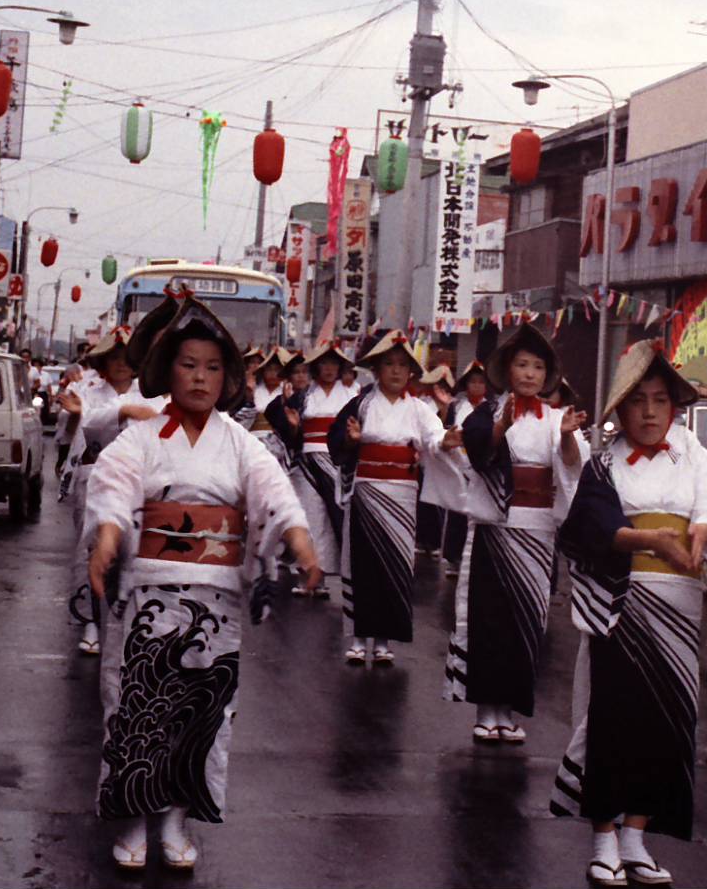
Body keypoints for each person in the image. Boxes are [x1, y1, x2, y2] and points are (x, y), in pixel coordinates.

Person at [85, 293, 319, 872]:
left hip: (214, 600)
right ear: (168, 371)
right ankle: (137, 819)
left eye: (213, 367)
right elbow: (113, 485)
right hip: (148, 594)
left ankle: (176, 820)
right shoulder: (139, 438)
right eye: (189, 364)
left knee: (202, 712)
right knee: (138, 707)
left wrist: (298, 536)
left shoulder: (240, 441)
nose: (200, 377)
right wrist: (110, 535)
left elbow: (273, 489)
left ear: (229, 378)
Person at [549, 339, 707, 887]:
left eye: (659, 400)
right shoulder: (603, 463)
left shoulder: (691, 452)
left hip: (680, 604)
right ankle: (604, 837)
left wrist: (699, 531)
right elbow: (591, 528)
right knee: (613, 719)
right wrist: (651, 538)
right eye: (637, 401)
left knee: (665, 720)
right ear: (620, 410)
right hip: (622, 605)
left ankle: (636, 837)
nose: (650, 412)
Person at [448, 325, 586, 744]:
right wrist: (497, 429)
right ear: (507, 371)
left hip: (538, 531)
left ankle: (509, 712)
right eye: (522, 364)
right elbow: (477, 449)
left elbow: (574, 466)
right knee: (490, 620)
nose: (529, 373)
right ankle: (486, 710)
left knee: (527, 622)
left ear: (548, 376)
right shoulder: (489, 411)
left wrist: (564, 438)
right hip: (497, 530)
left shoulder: (555, 418)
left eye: (538, 367)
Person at [327, 330, 459, 664]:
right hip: (367, 491)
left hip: (402, 495)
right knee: (363, 564)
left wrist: (446, 441)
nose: (397, 371)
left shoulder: (418, 408)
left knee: (394, 565)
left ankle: (384, 640)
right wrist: (351, 441)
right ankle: (358, 637)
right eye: (389, 364)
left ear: (411, 372)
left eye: (403, 365)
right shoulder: (361, 403)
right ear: (377, 369)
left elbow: (434, 436)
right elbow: (336, 441)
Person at [60, 326, 163, 656]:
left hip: (137, 482)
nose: (121, 364)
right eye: (115, 358)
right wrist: (115, 413)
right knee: (91, 549)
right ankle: (91, 619)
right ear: (103, 361)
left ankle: (130, 620)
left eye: (127, 358)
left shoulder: (151, 393)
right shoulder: (86, 388)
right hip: (93, 476)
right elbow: (75, 430)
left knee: (133, 551)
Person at [271, 342, 356, 597]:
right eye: (324, 364)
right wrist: (295, 428)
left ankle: (325, 574)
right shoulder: (303, 396)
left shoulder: (352, 396)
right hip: (306, 465)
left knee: (332, 522)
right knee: (309, 518)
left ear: (340, 368)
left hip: (336, 462)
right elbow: (288, 432)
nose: (329, 369)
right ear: (316, 367)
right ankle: (307, 574)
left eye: (333, 364)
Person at [439, 360, 489, 578]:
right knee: (458, 511)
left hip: (484, 465)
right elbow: (445, 431)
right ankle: (453, 558)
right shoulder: (456, 407)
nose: (477, 386)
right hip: (459, 463)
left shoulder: (493, 408)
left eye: (481, 382)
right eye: (473, 382)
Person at [415, 365, 456, 561]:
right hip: (423, 458)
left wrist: (446, 407)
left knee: (437, 502)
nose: (440, 388)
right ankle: (424, 540)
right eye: (437, 384)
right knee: (423, 502)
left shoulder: (452, 403)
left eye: (444, 384)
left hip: (441, 455)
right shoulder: (423, 404)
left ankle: (437, 541)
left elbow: (447, 428)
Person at [53, 364, 83, 476]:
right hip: (69, 415)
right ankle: (60, 464)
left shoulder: (86, 384)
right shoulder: (71, 385)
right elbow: (62, 398)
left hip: (81, 415)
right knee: (66, 440)